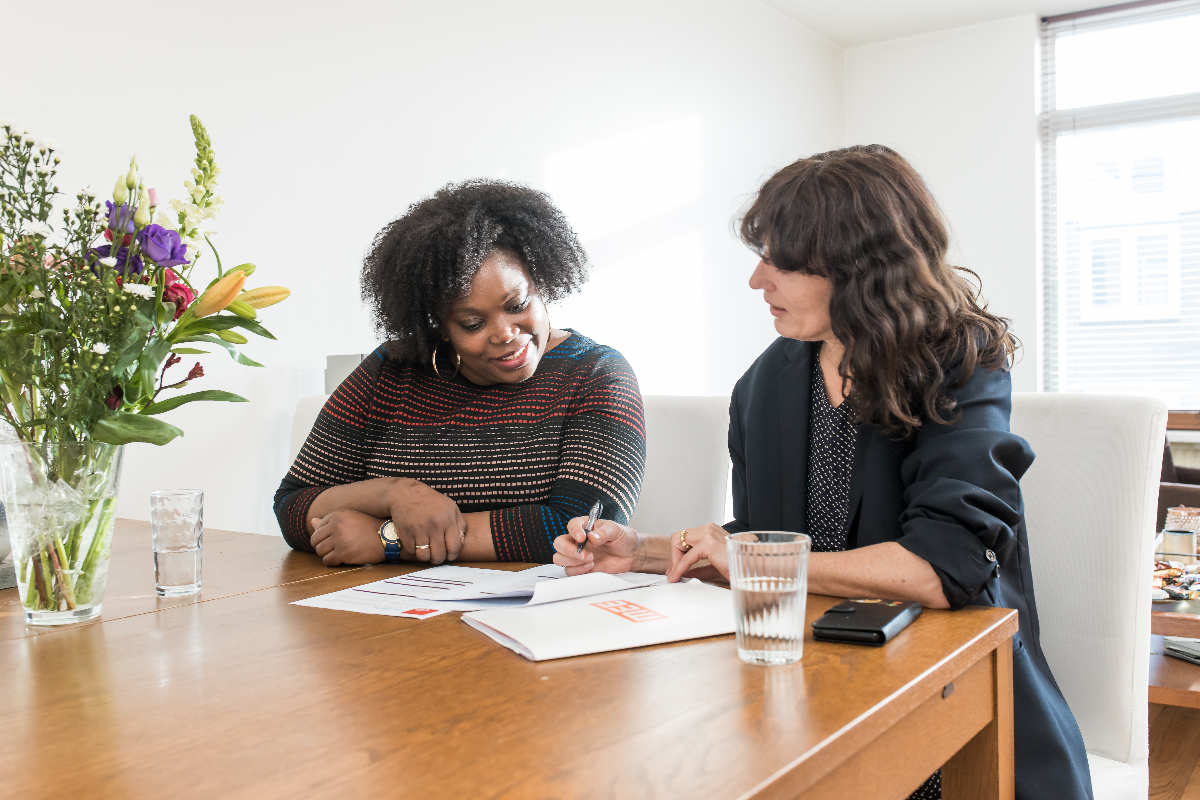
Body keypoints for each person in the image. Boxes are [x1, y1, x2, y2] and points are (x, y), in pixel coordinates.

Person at [551, 146, 1093, 800]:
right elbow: (763, 534)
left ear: (856, 266)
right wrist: (644, 551)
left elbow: (943, 566)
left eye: (780, 261)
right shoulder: (766, 383)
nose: (757, 281)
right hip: (819, 691)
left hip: (956, 704)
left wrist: (748, 559)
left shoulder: (959, 363)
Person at [275, 180, 645, 566]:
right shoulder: (390, 370)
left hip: (533, 615)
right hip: (388, 610)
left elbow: (583, 531)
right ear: (439, 327)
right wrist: (395, 494)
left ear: (541, 281)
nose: (505, 333)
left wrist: (388, 539)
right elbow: (292, 505)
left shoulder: (596, 373)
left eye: (517, 303)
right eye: (472, 323)